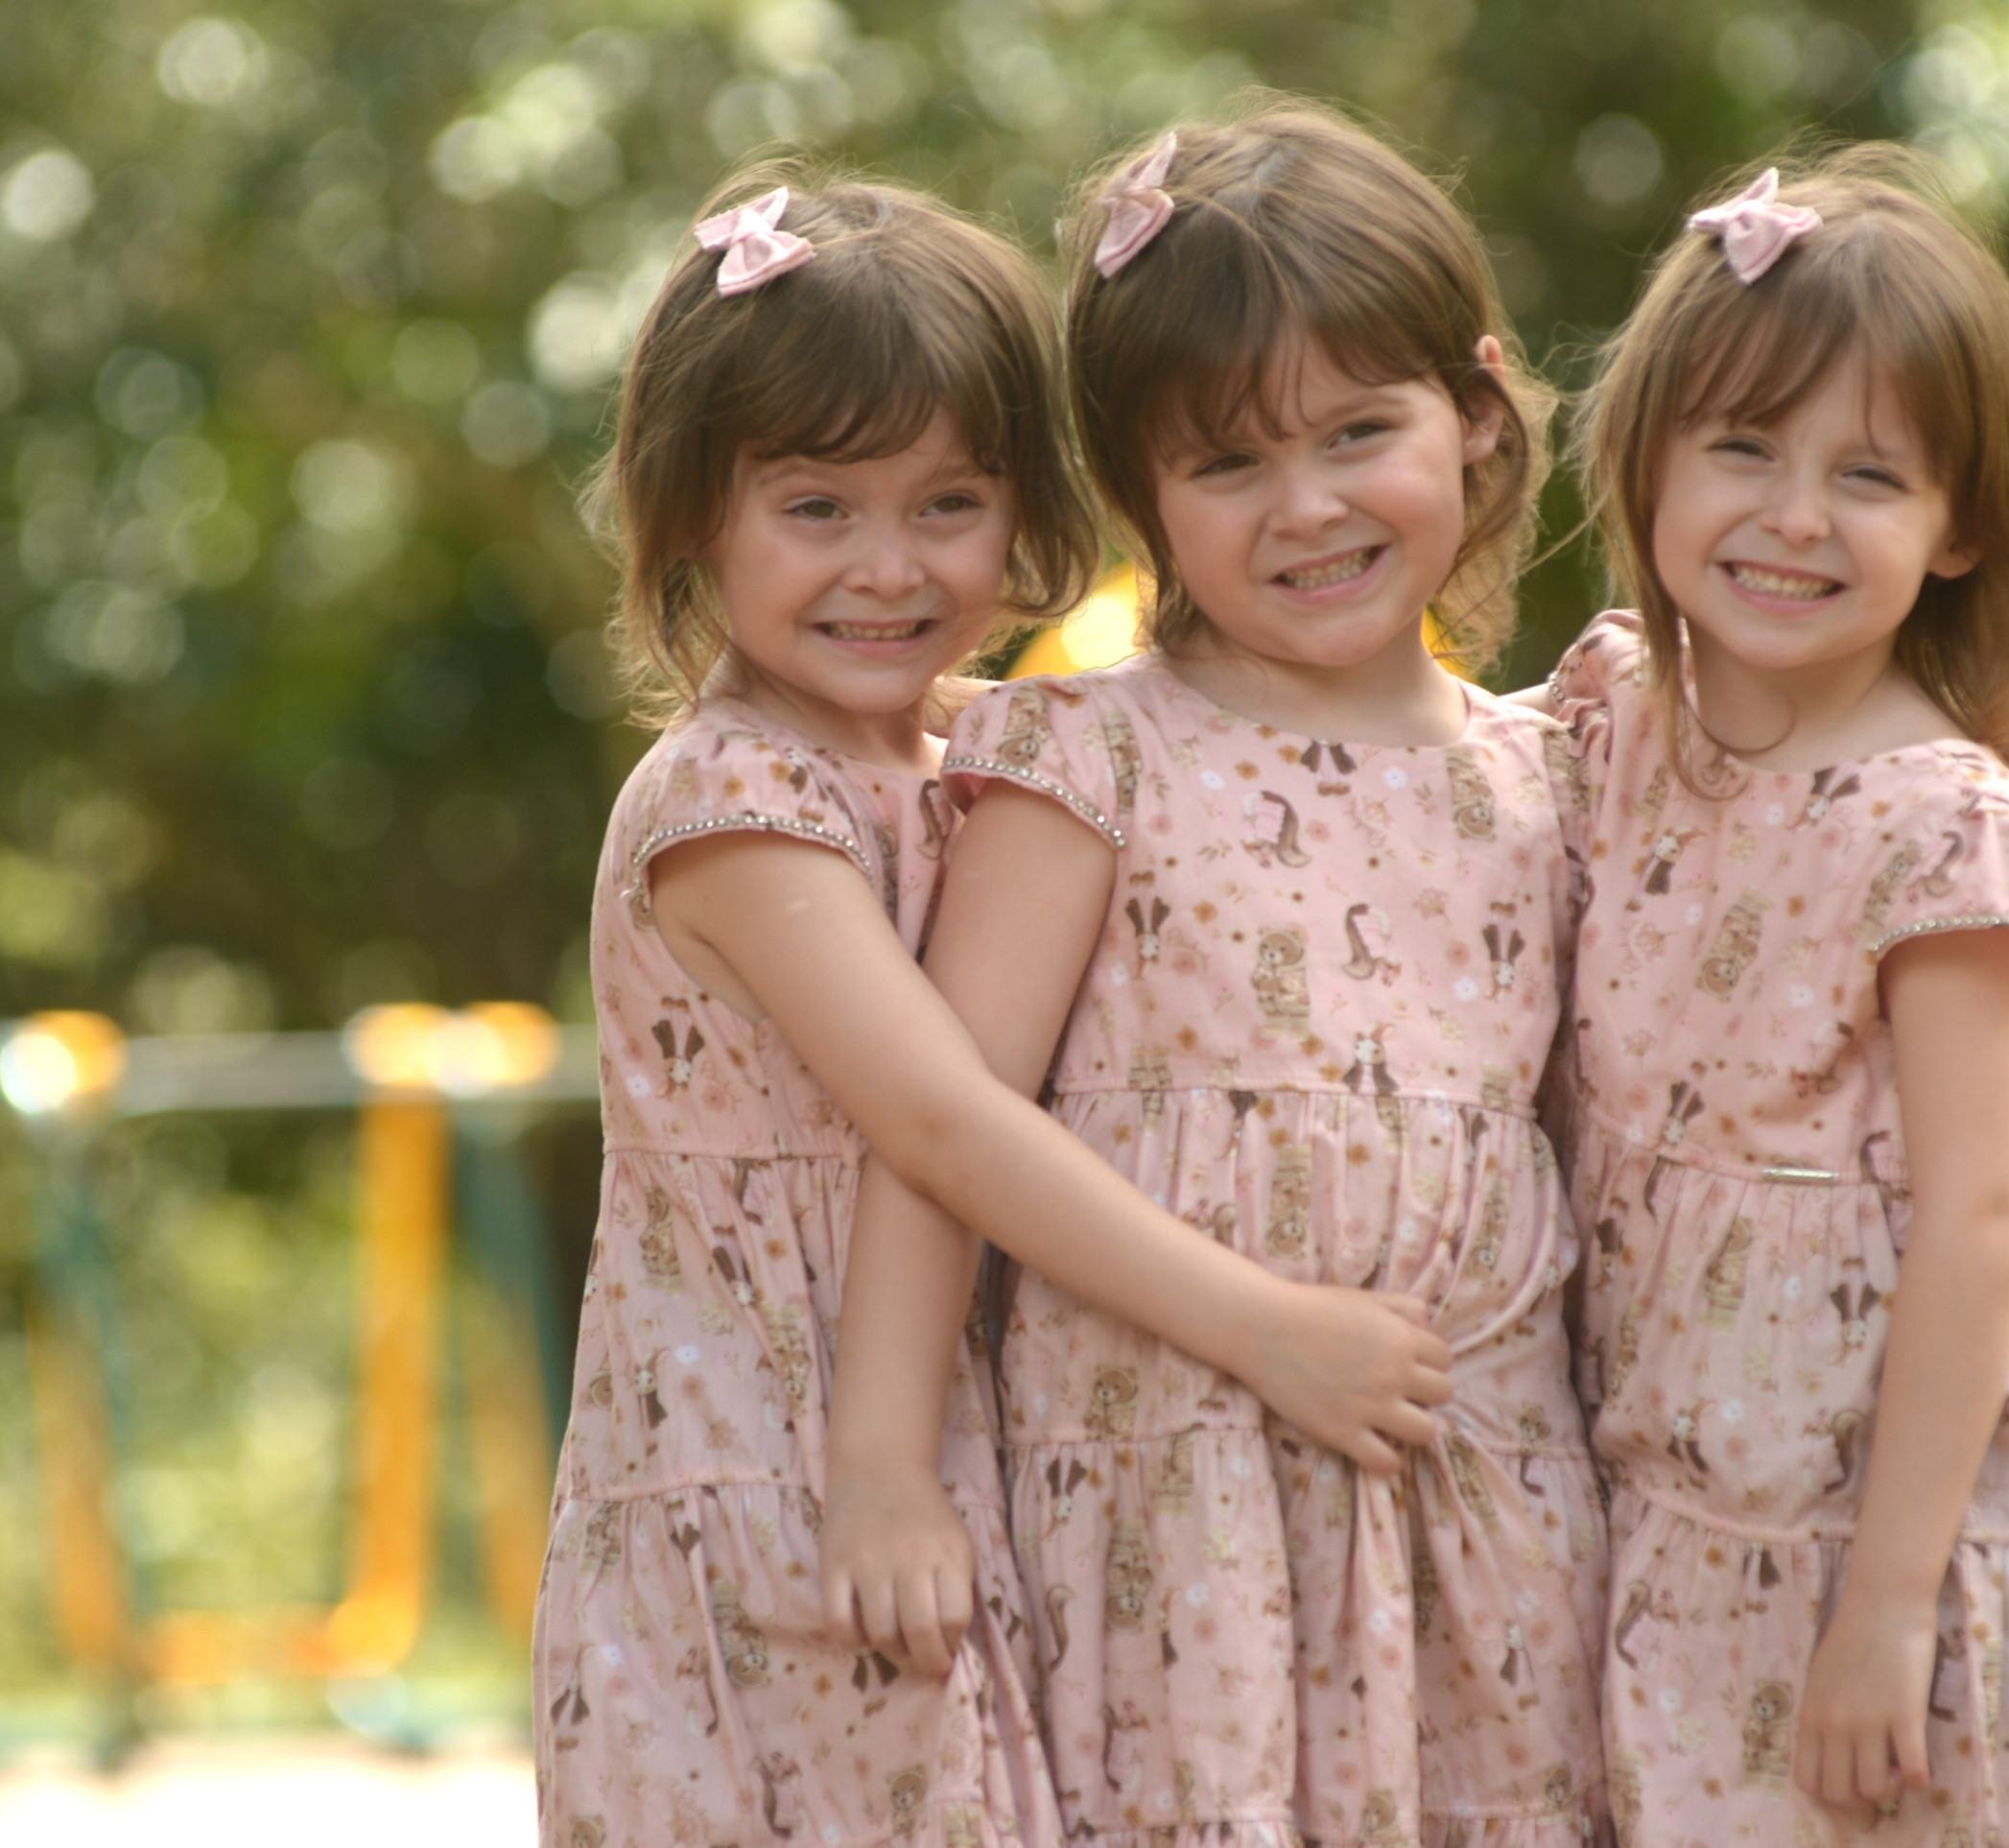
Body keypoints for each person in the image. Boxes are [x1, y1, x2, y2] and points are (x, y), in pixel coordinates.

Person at [533, 157, 1453, 1848]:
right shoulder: (734, 805)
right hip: (791, 1476)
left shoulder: (972, 751)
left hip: (944, 1452)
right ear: (691, 517)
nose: (889, 567)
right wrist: (1261, 1325)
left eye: (946, 505)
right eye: (817, 509)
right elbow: (949, 1119)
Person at [909, 100, 1609, 1845]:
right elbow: (938, 1134)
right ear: (1141, 493)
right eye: (1227, 464)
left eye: (1358, 431)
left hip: (1483, 1514)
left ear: (1472, 410)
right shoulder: (1084, 765)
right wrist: (1261, 1331)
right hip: (1176, 1524)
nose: (1305, 507)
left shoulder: (1559, 776)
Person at [1546, 147, 2009, 1844]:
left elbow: (1978, 1223)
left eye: (1868, 474)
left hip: (1897, 1520)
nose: (1791, 515)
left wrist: (1889, 1602)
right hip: (1680, 1496)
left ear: (1959, 522)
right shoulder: (1611, 722)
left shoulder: (1945, 830)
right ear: (1648, 458)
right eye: (1743, 448)